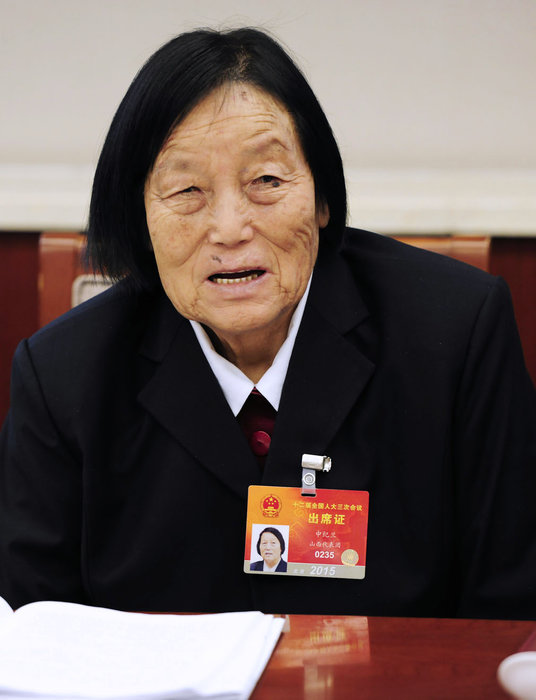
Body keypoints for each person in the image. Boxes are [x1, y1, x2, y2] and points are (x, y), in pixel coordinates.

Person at [1, 27, 535, 619]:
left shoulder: (454, 335)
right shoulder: (63, 378)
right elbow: (35, 634)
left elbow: (511, 614)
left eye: (267, 182)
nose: (229, 227)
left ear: (323, 199)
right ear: (140, 220)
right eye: (186, 190)